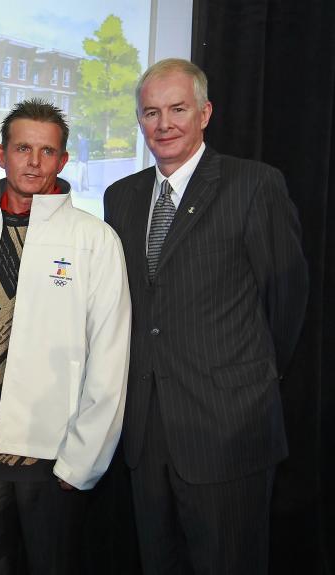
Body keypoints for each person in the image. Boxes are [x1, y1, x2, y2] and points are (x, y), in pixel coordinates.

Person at [104, 58, 308, 574]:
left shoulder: (253, 185)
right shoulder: (120, 198)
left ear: (205, 113)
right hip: (145, 435)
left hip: (228, 431)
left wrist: (247, 380)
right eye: (151, 112)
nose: (164, 124)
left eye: (177, 109)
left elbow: (286, 300)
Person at [0, 99, 131, 575]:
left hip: (52, 459)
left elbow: (110, 357)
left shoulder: (95, 239)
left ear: (63, 161)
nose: (33, 161)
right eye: (22, 148)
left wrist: (81, 460)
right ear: (0, 153)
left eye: (46, 151)